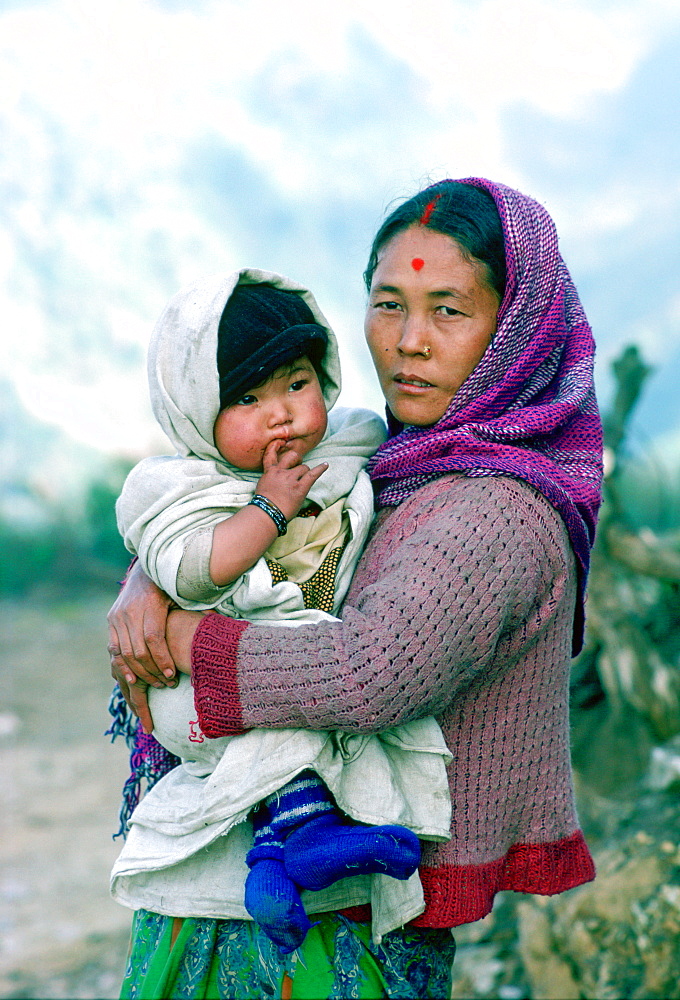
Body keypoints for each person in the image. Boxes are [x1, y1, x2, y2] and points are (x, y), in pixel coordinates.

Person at [108, 177, 603, 1000]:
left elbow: (367, 673)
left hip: (353, 918)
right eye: (387, 303)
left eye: (448, 309)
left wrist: (183, 633)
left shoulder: (495, 508)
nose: (408, 341)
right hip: (281, 889)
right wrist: (151, 579)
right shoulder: (409, 460)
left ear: (518, 329)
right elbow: (247, 510)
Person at [110, 269, 453, 958]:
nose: (282, 414)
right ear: (195, 412)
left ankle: (276, 860)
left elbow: (385, 449)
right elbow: (190, 567)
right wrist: (267, 508)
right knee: (278, 716)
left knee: (306, 707)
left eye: (297, 383)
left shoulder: (342, 448)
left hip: (285, 657)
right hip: (191, 685)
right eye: (247, 398)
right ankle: (307, 837)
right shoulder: (177, 487)